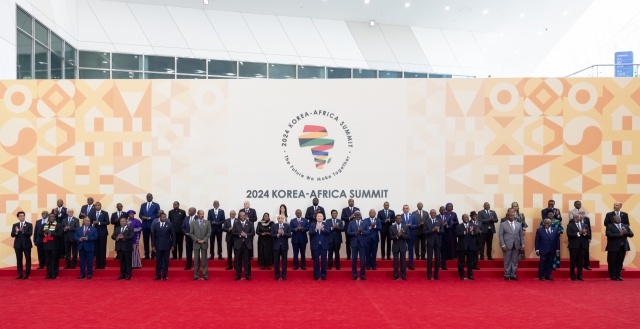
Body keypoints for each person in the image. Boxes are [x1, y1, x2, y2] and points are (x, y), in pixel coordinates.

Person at [606, 215, 634, 281]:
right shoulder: (610, 226)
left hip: (622, 247)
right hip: (613, 247)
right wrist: (619, 234)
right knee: (612, 261)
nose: (618, 219)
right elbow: (609, 234)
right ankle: (613, 275)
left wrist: (626, 232)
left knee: (620, 261)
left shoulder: (625, 226)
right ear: (613, 220)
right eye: (616, 218)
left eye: (619, 218)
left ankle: (618, 275)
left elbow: (631, 234)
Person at [499, 209, 524, 281]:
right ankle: (507, 275)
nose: (511, 217)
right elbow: (500, 235)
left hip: (516, 245)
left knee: (515, 261)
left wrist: (522, 245)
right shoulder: (503, 224)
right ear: (507, 216)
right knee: (507, 260)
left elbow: (521, 236)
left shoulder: (518, 224)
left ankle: (513, 274)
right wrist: (503, 245)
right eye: (510, 216)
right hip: (507, 245)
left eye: (513, 215)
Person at [152, 213, 176, 281]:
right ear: (160, 217)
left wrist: (173, 245)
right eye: (162, 217)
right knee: (158, 261)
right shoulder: (156, 225)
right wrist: (153, 245)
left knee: (166, 261)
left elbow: (173, 236)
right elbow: (153, 236)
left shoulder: (170, 225)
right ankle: (157, 275)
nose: (163, 218)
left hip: (167, 245)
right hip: (158, 245)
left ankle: (164, 276)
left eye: (165, 217)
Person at [347, 211, 370, 280]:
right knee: (354, 259)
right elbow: (348, 232)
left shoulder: (365, 222)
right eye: (356, 215)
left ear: (361, 215)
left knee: (362, 260)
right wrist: (356, 232)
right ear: (354, 216)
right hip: (354, 243)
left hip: (362, 243)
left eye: (359, 215)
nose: (357, 216)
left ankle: (362, 275)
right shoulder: (351, 223)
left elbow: (368, 232)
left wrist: (362, 231)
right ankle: (354, 275)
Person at [232, 211, 255, 280]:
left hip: (247, 245)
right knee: (238, 261)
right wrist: (239, 234)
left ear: (245, 216)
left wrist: (246, 235)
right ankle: (238, 275)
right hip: (238, 245)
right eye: (240, 215)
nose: (242, 217)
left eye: (243, 215)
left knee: (247, 261)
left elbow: (253, 233)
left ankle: (247, 275)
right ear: (239, 216)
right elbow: (233, 233)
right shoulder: (236, 223)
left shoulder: (250, 223)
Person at [190, 210, 211, 280]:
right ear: (198, 215)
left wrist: (204, 240)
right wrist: (196, 240)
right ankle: (196, 276)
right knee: (196, 260)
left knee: (204, 260)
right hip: (196, 244)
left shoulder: (207, 222)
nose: (202, 215)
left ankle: (205, 275)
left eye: (203, 214)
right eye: (201, 214)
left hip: (204, 243)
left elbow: (209, 232)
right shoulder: (193, 223)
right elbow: (191, 233)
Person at [41, 213, 64, 279]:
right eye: (50, 216)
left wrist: (51, 233)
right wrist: (45, 233)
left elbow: (60, 234)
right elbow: (40, 233)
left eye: (52, 216)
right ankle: (49, 273)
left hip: (55, 246)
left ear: (55, 217)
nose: (51, 217)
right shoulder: (44, 225)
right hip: (46, 245)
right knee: (47, 260)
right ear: (48, 217)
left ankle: (54, 273)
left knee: (55, 260)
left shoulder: (59, 225)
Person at [567, 213, 589, 281]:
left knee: (580, 261)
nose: (575, 219)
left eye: (577, 217)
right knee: (573, 261)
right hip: (573, 246)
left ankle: (580, 275)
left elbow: (588, 234)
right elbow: (569, 234)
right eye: (574, 217)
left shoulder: (585, 225)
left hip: (582, 246)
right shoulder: (570, 225)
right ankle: (572, 275)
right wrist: (578, 233)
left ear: (580, 218)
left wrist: (584, 233)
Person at [74, 215, 97, 279]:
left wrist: (87, 238)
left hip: (89, 247)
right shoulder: (78, 229)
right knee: (82, 262)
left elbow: (95, 237)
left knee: (90, 261)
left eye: (89, 221)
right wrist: (79, 239)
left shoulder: (93, 229)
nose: (88, 222)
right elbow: (75, 236)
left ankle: (89, 274)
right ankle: (82, 274)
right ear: (83, 221)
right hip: (81, 247)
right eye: (86, 221)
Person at [11, 211, 32, 279]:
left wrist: (23, 231)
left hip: (26, 244)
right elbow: (12, 235)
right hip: (18, 245)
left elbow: (30, 234)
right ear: (18, 217)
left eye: (23, 215)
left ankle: (27, 273)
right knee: (19, 260)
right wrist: (17, 232)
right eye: (20, 216)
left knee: (28, 259)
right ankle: (20, 274)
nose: (22, 217)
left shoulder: (29, 224)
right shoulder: (15, 225)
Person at [309, 212, 330, 280]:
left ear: (323, 217)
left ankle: (323, 275)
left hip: (323, 245)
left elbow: (328, 232)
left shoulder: (326, 224)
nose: (319, 217)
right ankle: (316, 275)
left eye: (321, 216)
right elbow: (310, 233)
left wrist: (323, 229)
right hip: (315, 245)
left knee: (324, 261)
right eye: (318, 216)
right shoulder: (312, 224)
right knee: (315, 261)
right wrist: (316, 229)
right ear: (316, 217)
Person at [423, 209, 443, 280]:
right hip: (430, 243)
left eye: (434, 213)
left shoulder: (439, 221)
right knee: (429, 259)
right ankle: (429, 275)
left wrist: (437, 230)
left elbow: (442, 231)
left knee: (437, 260)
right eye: (432, 213)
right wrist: (432, 230)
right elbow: (424, 232)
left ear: (436, 213)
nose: (433, 214)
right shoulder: (426, 222)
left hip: (437, 243)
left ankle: (436, 275)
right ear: (430, 214)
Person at [456, 214, 477, 280]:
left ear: (468, 218)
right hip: (462, 247)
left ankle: (470, 275)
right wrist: (464, 232)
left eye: (467, 217)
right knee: (461, 262)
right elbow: (456, 234)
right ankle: (461, 275)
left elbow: (476, 234)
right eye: (464, 217)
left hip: (471, 247)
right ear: (462, 219)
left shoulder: (473, 225)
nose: (466, 218)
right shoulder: (459, 226)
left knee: (470, 262)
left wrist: (472, 232)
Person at [139, 193, 160, 260]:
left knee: (153, 240)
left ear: (152, 197)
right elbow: (140, 214)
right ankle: (146, 255)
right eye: (147, 197)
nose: (148, 198)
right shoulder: (143, 205)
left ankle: (153, 254)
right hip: (145, 225)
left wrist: (150, 218)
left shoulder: (156, 205)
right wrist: (142, 217)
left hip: (153, 225)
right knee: (145, 240)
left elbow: (158, 214)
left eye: (150, 196)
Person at [271, 214, 291, 280]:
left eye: (281, 218)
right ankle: (277, 275)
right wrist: (277, 234)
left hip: (284, 246)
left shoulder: (287, 226)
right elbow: (271, 235)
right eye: (279, 218)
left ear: (283, 219)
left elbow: (289, 235)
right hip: (276, 246)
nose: (280, 219)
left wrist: (283, 233)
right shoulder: (274, 226)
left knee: (284, 261)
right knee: (276, 262)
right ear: (277, 219)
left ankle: (284, 275)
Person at [90, 202, 110, 269]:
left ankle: (102, 264)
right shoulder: (92, 213)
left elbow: (107, 222)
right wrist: (93, 224)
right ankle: (97, 264)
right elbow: (89, 222)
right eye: (96, 205)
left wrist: (98, 222)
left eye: (99, 205)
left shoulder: (105, 213)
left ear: (101, 206)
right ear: (94, 206)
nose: (97, 206)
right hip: (94, 234)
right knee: (96, 249)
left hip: (103, 233)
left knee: (102, 249)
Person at [390, 215, 408, 280]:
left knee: (403, 261)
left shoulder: (405, 227)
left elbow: (407, 236)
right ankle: (395, 275)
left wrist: (402, 235)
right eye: (397, 218)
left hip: (403, 246)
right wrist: (397, 236)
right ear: (395, 219)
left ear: (401, 219)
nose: (399, 219)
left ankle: (403, 275)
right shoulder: (391, 227)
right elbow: (390, 237)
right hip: (395, 246)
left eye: (400, 218)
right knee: (395, 262)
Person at [400, 205, 417, 270]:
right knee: (402, 250)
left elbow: (416, 225)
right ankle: (402, 264)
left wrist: (411, 226)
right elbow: (398, 225)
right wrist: (405, 226)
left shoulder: (413, 216)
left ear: (409, 209)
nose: (405, 209)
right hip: (403, 236)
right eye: (404, 208)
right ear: (402, 209)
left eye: (406, 208)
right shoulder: (400, 216)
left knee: (410, 250)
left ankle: (410, 264)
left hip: (411, 235)